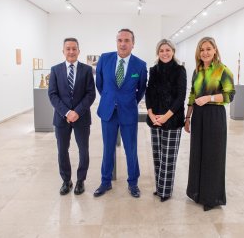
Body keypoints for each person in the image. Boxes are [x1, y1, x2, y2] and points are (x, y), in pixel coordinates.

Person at [94, 28, 147, 198]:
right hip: (108, 111)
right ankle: (105, 181)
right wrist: (111, 99)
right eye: (120, 40)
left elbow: (141, 90)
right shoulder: (105, 59)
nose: (123, 43)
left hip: (128, 112)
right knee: (108, 148)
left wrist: (128, 102)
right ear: (116, 42)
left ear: (133, 43)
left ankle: (133, 183)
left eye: (127, 40)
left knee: (130, 149)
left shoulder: (140, 65)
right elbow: (100, 84)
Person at [184, 37, 235, 211]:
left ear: (215, 50)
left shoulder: (223, 70)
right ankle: (196, 193)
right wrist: (188, 117)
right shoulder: (197, 71)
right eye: (202, 49)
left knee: (213, 156)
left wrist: (209, 98)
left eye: (208, 49)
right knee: (198, 154)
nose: (205, 52)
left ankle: (212, 197)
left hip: (215, 115)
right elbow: (192, 94)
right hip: (198, 115)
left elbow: (230, 96)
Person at [48, 37, 96, 196]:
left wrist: (77, 112)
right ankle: (66, 180)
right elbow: (53, 95)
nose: (71, 51)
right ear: (63, 51)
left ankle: (81, 180)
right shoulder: (55, 70)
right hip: (62, 118)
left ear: (79, 51)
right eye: (68, 48)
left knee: (84, 150)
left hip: (81, 118)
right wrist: (67, 112)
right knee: (62, 150)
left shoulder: (87, 70)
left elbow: (91, 94)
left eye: (74, 48)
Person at [145, 39, 186, 202]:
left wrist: (166, 116)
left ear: (173, 51)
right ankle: (159, 187)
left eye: (167, 50)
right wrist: (150, 113)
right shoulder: (153, 70)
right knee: (158, 155)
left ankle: (165, 192)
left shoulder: (180, 70)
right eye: (161, 50)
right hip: (155, 119)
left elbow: (180, 96)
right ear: (158, 52)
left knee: (168, 157)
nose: (165, 53)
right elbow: (149, 93)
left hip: (172, 119)